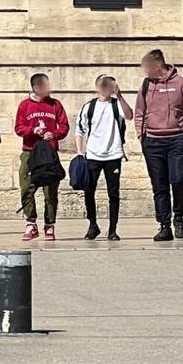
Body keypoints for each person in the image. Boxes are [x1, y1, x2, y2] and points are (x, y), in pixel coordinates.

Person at [136, 48, 183, 241]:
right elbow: (139, 112)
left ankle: (179, 218)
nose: (145, 71)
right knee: (159, 185)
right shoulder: (146, 85)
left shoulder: (181, 84)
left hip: (177, 141)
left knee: (179, 179)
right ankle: (164, 225)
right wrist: (142, 137)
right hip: (152, 142)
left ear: (158, 65)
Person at [12, 72, 69, 241]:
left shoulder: (55, 104)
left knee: (51, 191)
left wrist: (55, 133)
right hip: (30, 151)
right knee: (26, 187)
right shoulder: (24, 105)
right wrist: (32, 130)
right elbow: (18, 128)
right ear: (35, 87)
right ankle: (31, 223)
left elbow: (65, 126)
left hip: (49, 153)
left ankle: (50, 225)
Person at [76, 74, 132, 242]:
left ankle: (113, 230)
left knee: (113, 193)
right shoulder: (88, 107)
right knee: (89, 191)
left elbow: (129, 115)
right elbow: (79, 130)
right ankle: (93, 225)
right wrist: (80, 152)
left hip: (113, 155)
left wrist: (120, 96)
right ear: (97, 87)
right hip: (92, 155)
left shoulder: (117, 105)